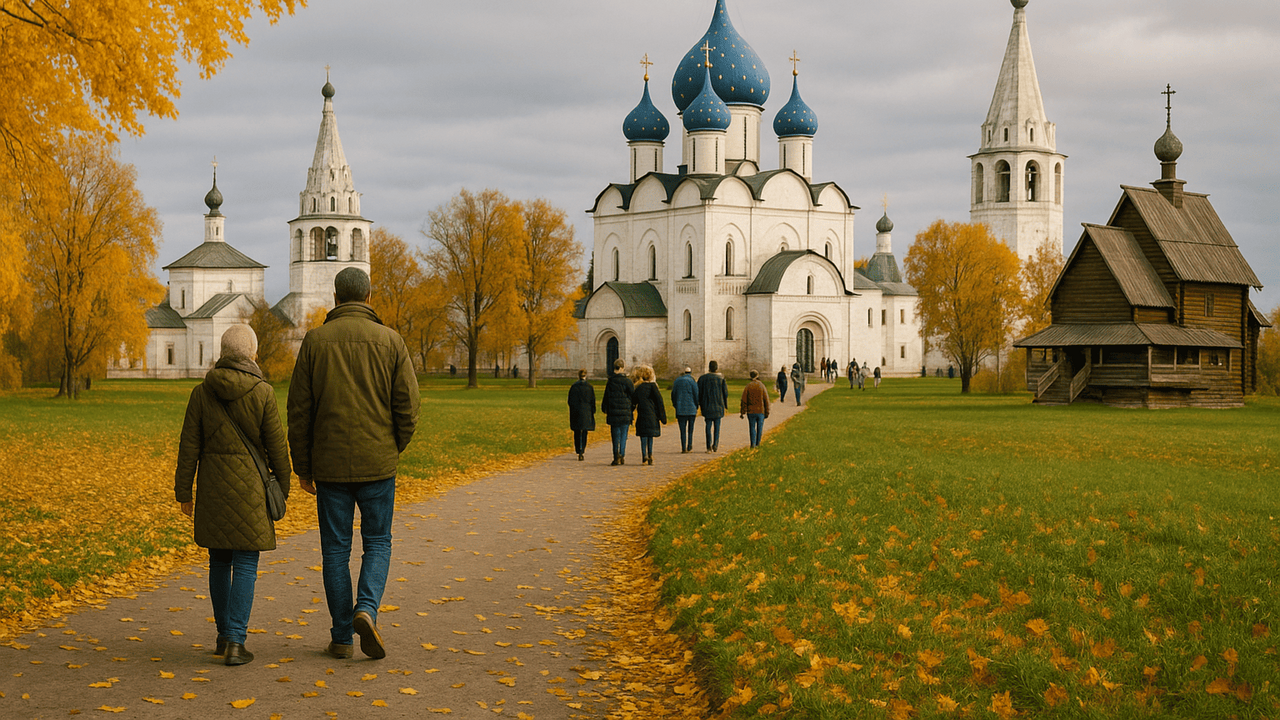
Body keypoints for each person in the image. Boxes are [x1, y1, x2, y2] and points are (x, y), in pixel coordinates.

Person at [288, 268, 421, 661]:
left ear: (335, 296)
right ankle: (366, 609)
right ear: (368, 296)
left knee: (335, 550)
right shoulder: (391, 341)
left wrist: (303, 467)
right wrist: (392, 447)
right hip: (378, 463)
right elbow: (408, 409)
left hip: (329, 466)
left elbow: (299, 410)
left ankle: (342, 636)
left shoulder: (314, 342)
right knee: (378, 542)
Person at [176, 325, 291, 666]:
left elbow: (189, 447)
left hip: (212, 489)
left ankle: (225, 635)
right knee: (245, 565)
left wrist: (184, 491)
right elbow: (277, 449)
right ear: (253, 354)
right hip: (251, 492)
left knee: (218, 562)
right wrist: (280, 491)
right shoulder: (263, 393)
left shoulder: (201, 392)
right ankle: (237, 643)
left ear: (223, 353)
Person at [601, 358, 635, 465]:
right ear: (622, 368)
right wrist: (631, 408)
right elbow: (633, 397)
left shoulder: (610, 381)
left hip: (613, 411)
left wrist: (604, 408)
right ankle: (622, 454)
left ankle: (616, 455)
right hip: (625, 412)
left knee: (615, 435)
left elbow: (606, 397)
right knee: (624, 435)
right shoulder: (628, 382)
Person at [632, 365, 667, 465]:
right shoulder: (653, 387)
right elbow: (659, 402)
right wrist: (662, 417)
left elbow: (633, 401)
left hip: (642, 414)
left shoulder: (639, 388)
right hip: (652, 415)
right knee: (650, 437)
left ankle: (644, 456)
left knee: (643, 436)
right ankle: (650, 454)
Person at [697, 360, 728, 452]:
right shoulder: (721, 379)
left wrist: (699, 404)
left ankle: (708, 446)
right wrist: (725, 405)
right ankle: (715, 444)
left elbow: (699, 393)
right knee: (717, 427)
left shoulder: (702, 379)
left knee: (708, 426)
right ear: (717, 368)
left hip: (707, 405)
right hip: (718, 405)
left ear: (709, 368)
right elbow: (725, 393)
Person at [567, 369, 596, 461]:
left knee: (577, 431)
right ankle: (582, 449)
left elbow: (570, 400)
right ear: (585, 376)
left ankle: (577, 449)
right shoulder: (589, 387)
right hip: (586, 411)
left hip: (576, 411)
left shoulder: (574, 387)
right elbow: (593, 400)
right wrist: (592, 410)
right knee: (584, 432)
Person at [670, 366, 699, 454]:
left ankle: (683, 447)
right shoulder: (692, 381)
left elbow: (673, 394)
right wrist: (696, 405)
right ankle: (689, 445)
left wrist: (675, 405)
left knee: (682, 430)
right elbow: (696, 394)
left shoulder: (677, 381)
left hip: (680, 408)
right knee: (690, 429)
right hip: (691, 408)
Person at [739, 370, 771, 448]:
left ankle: (752, 443)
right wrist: (767, 411)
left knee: (752, 427)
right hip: (760, 411)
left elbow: (744, 400)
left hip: (751, 411)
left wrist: (742, 411)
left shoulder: (748, 386)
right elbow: (766, 400)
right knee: (760, 428)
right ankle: (758, 443)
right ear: (757, 375)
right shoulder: (761, 386)